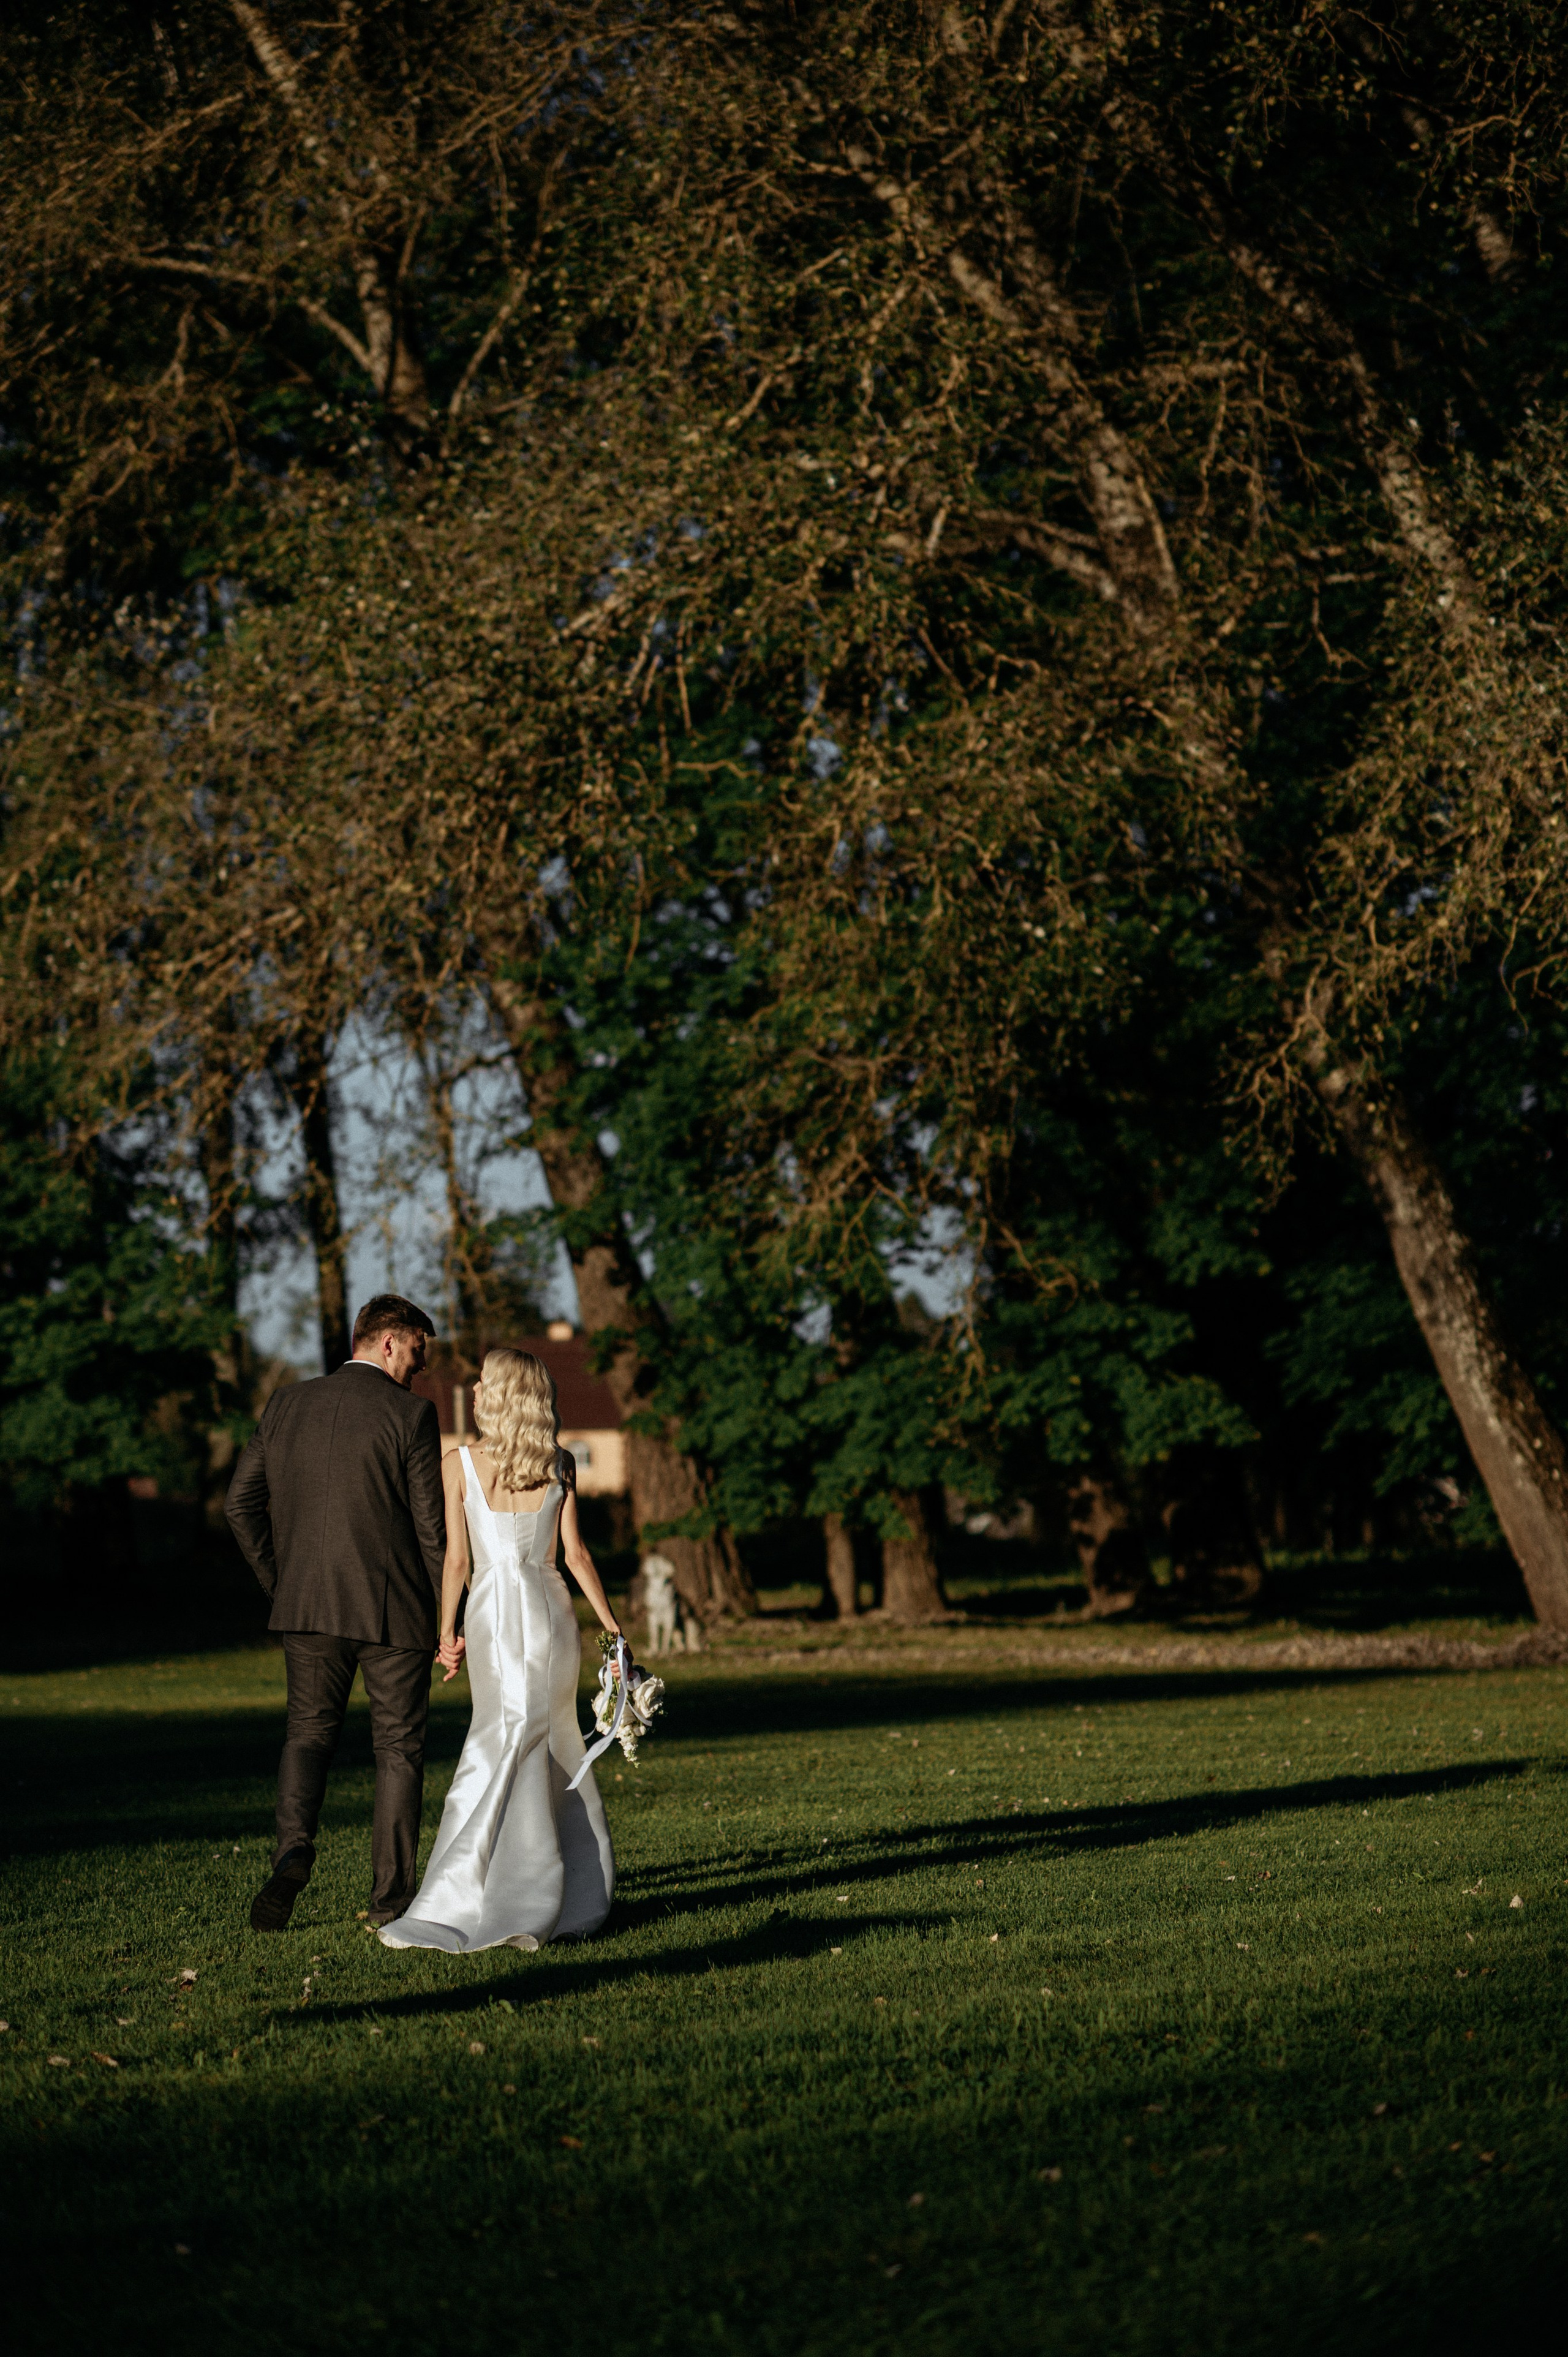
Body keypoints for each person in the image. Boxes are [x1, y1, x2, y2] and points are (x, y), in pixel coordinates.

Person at [379, 1346, 620, 1953]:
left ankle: (497, 1891)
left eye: (485, 1381)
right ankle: (573, 1892)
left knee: (501, 1738)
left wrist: (447, 1631)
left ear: (501, 1393)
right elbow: (576, 1558)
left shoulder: (457, 1462)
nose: (477, 1388)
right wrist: (613, 1627)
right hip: (551, 1615)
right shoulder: (559, 1462)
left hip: (490, 1613)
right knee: (550, 1739)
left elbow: (456, 1560)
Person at [225, 1294, 445, 1933]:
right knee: (398, 1751)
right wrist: (451, 1615)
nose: (422, 1364)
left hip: (307, 1606)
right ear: (386, 1340)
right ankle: (390, 1903)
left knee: (308, 1733)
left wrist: (281, 1581)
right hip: (395, 1611)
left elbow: (240, 1507)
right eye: (418, 1348)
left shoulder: (286, 1404)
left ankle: (293, 1848)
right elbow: (431, 1530)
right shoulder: (411, 1414)